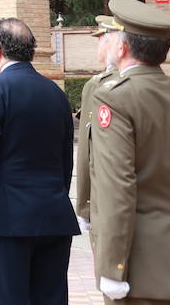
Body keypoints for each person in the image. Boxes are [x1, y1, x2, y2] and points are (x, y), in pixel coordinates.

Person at [88, 0, 170, 303]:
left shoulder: (114, 98)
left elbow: (117, 186)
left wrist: (113, 267)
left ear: (122, 47)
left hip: (140, 269)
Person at [0, 18, 79, 304]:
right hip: (53, 214)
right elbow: (66, 158)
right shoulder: (56, 93)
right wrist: (56, 196)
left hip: (7, 219)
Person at [74, 16, 118, 233]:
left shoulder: (99, 86)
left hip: (109, 202)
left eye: (100, 39)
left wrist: (84, 206)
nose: (98, 46)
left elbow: (87, 153)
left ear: (112, 43)